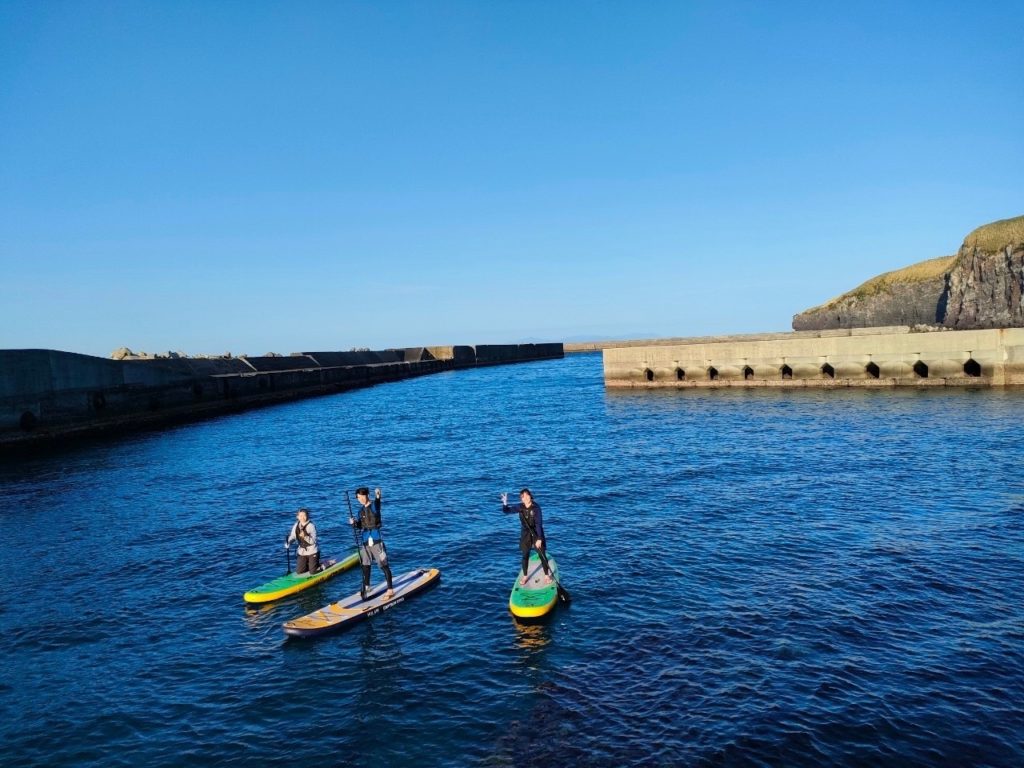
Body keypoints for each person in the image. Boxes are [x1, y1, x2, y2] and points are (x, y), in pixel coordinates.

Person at [349, 486, 394, 600]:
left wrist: (378, 496)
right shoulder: (360, 511)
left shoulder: (374, 506)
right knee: (365, 564)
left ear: (367, 495)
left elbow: (378, 504)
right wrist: (354, 523)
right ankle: (367, 586)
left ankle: (390, 589)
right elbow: (360, 526)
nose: (360, 499)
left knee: (383, 565)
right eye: (358, 498)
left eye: (362, 497)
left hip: (376, 540)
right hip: (365, 541)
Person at [501, 488, 553, 585]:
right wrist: (505, 503)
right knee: (525, 555)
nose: (525, 498)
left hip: (536, 533)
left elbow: (538, 524)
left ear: (530, 496)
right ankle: (525, 576)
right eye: (522, 497)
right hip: (525, 534)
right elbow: (507, 511)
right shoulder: (520, 507)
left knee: (541, 554)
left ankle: (546, 575)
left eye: (526, 495)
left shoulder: (536, 508)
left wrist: (539, 538)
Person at [284, 507, 320, 576]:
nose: (302, 518)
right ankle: (310, 564)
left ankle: (321, 565)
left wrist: (305, 537)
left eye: (304, 515)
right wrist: (288, 542)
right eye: (300, 516)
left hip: (312, 551)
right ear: (297, 517)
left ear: (307, 516)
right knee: (299, 571)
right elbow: (293, 536)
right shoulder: (296, 525)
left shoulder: (311, 526)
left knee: (313, 572)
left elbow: (313, 541)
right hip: (302, 551)